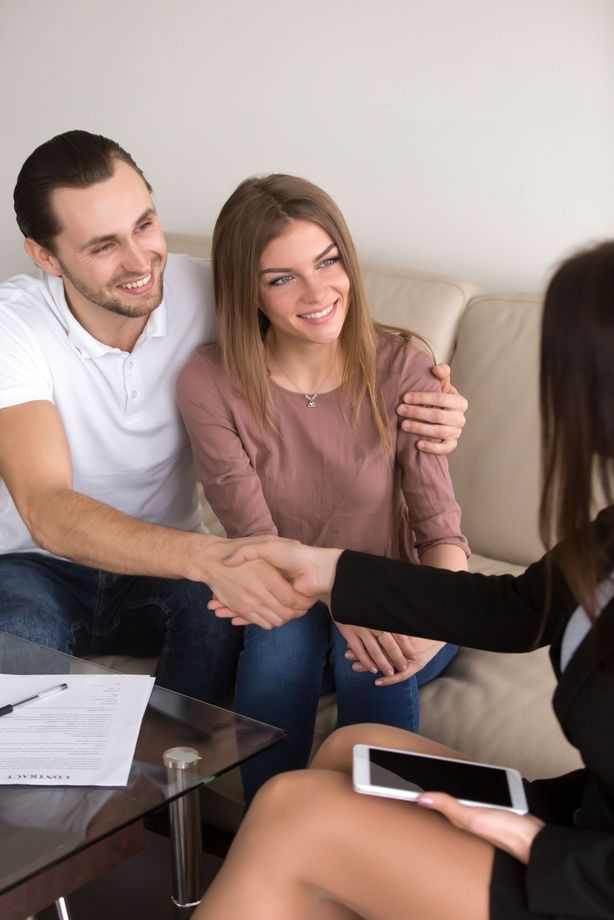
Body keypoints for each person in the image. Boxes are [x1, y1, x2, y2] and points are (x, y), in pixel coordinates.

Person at [195, 240, 614, 919]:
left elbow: (441, 529)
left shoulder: (395, 367)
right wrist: (329, 570)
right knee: (351, 748)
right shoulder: (611, 530)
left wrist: (545, 846)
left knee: (291, 814)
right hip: (584, 821)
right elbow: (517, 609)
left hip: (589, 880)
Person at [0, 130, 466, 702]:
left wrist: (433, 398)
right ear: (45, 256)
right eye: (102, 246)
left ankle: (174, 780)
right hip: (35, 564)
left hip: (168, 569)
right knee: (17, 643)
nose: (139, 261)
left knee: (227, 631)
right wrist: (214, 559)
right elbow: (48, 508)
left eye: (144, 225)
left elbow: (324, 321)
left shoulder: (211, 289)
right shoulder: (14, 327)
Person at [176, 174, 469, 800]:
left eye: (328, 261)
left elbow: (443, 536)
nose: (317, 293)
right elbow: (257, 544)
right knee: (280, 642)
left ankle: (380, 846)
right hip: (289, 595)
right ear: (246, 290)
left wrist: (429, 622)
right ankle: (269, 843)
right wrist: (345, 596)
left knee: (370, 655)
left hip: (401, 602)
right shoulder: (211, 380)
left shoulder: (402, 367)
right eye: (282, 278)